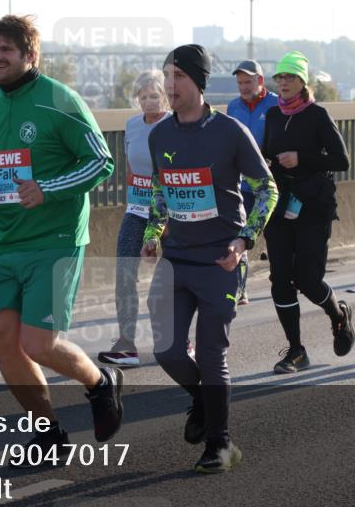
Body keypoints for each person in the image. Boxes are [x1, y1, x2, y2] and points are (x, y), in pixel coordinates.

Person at [0, 15, 122, 463]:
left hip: (55, 239)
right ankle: (48, 434)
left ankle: (100, 384)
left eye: (5, 50)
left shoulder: (59, 102)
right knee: (3, 339)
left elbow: (100, 162)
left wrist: (48, 189)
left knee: (37, 344)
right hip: (5, 242)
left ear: (30, 55)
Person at [141, 44, 277, 473]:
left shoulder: (230, 131)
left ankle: (221, 444)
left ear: (198, 83)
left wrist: (244, 241)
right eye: (167, 75)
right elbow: (162, 192)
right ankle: (203, 399)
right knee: (166, 349)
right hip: (176, 257)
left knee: (213, 351)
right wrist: (152, 233)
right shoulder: (159, 133)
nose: (169, 84)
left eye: (179, 76)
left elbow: (267, 188)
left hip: (221, 259)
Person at [262, 51, 354, 374]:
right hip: (280, 203)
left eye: (290, 78)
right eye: (280, 78)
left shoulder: (318, 115)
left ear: (303, 82)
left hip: (314, 204)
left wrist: (302, 159)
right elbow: (264, 153)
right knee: (280, 278)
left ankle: (338, 315)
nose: (284, 83)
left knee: (308, 279)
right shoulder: (272, 116)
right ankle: (297, 350)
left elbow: (341, 161)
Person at [98, 70, 172, 368]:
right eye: (142, 97)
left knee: (169, 278)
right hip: (137, 209)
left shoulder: (173, 124)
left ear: (164, 96)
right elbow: (130, 167)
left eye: (154, 96)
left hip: (169, 213)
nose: (148, 102)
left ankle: (179, 340)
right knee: (124, 273)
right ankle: (126, 343)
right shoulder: (131, 125)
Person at [226, 59, 279, 305]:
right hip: (243, 185)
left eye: (248, 82)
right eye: (240, 83)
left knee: (277, 238)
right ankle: (240, 288)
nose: (244, 87)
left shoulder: (276, 104)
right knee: (242, 235)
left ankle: (283, 280)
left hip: (271, 184)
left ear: (260, 80)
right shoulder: (233, 107)